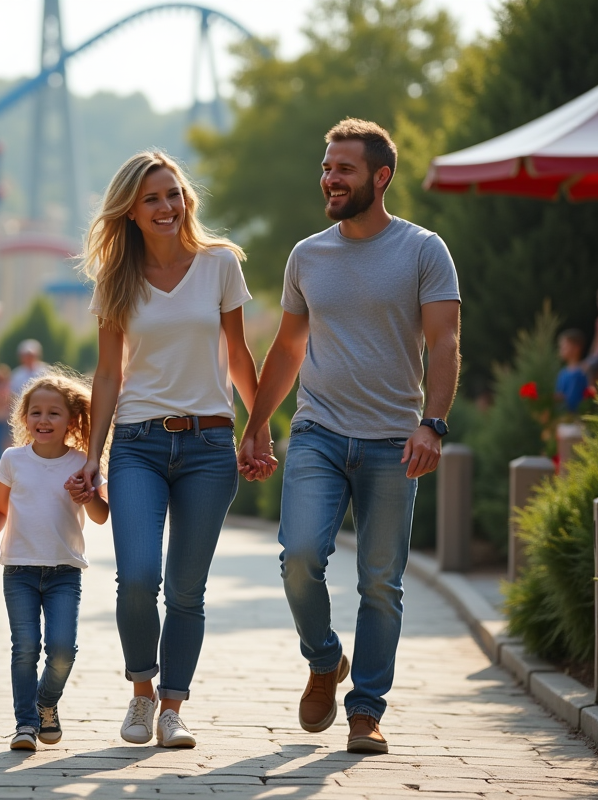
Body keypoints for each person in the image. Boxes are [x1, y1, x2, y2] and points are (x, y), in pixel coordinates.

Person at [238, 119, 461, 755]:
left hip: (395, 439)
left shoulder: (423, 250)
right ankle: (323, 657)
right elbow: (288, 346)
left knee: (380, 581)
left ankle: (365, 708)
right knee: (300, 555)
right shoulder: (308, 255)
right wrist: (255, 427)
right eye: (327, 168)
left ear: (380, 177)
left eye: (344, 169)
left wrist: (433, 422)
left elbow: (444, 340)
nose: (330, 179)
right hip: (318, 431)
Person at [73, 150, 271, 749]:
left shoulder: (219, 266)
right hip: (137, 443)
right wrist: (93, 454)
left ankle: (173, 708)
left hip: (210, 444)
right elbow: (108, 375)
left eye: (174, 194)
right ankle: (140, 692)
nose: (167, 206)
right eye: (152, 198)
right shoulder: (116, 280)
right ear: (130, 211)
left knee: (187, 588)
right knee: (136, 577)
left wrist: (258, 426)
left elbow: (237, 354)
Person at [0, 371, 109, 751]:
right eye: (36, 412)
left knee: (62, 649)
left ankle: (45, 703)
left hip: (65, 571)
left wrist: (85, 495)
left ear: (71, 421)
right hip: (19, 568)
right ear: (24, 419)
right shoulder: (12, 460)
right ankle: (25, 723)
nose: (44, 420)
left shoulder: (83, 462)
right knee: (24, 646)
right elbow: (0, 511)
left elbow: (102, 515)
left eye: (54, 413)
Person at [556, 329, 590, 415]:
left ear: (576, 348)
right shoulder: (562, 373)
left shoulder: (584, 370)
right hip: (566, 418)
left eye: (564, 346)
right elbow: (560, 395)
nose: (561, 350)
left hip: (582, 417)